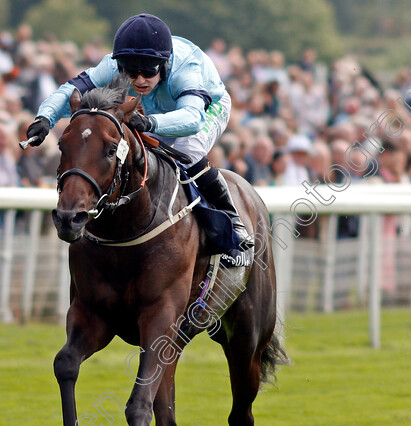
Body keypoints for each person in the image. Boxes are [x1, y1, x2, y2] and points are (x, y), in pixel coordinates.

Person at [25, 13, 253, 249]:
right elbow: (71, 89)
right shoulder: (113, 64)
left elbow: (193, 119)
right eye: (131, 73)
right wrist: (45, 117)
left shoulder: (186, 69)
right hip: (156, 107)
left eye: (148, 71)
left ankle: (233, 222)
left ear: (164, 63)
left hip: (206, 107)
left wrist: (151, 123)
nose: (140, 79)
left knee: (188, 150)